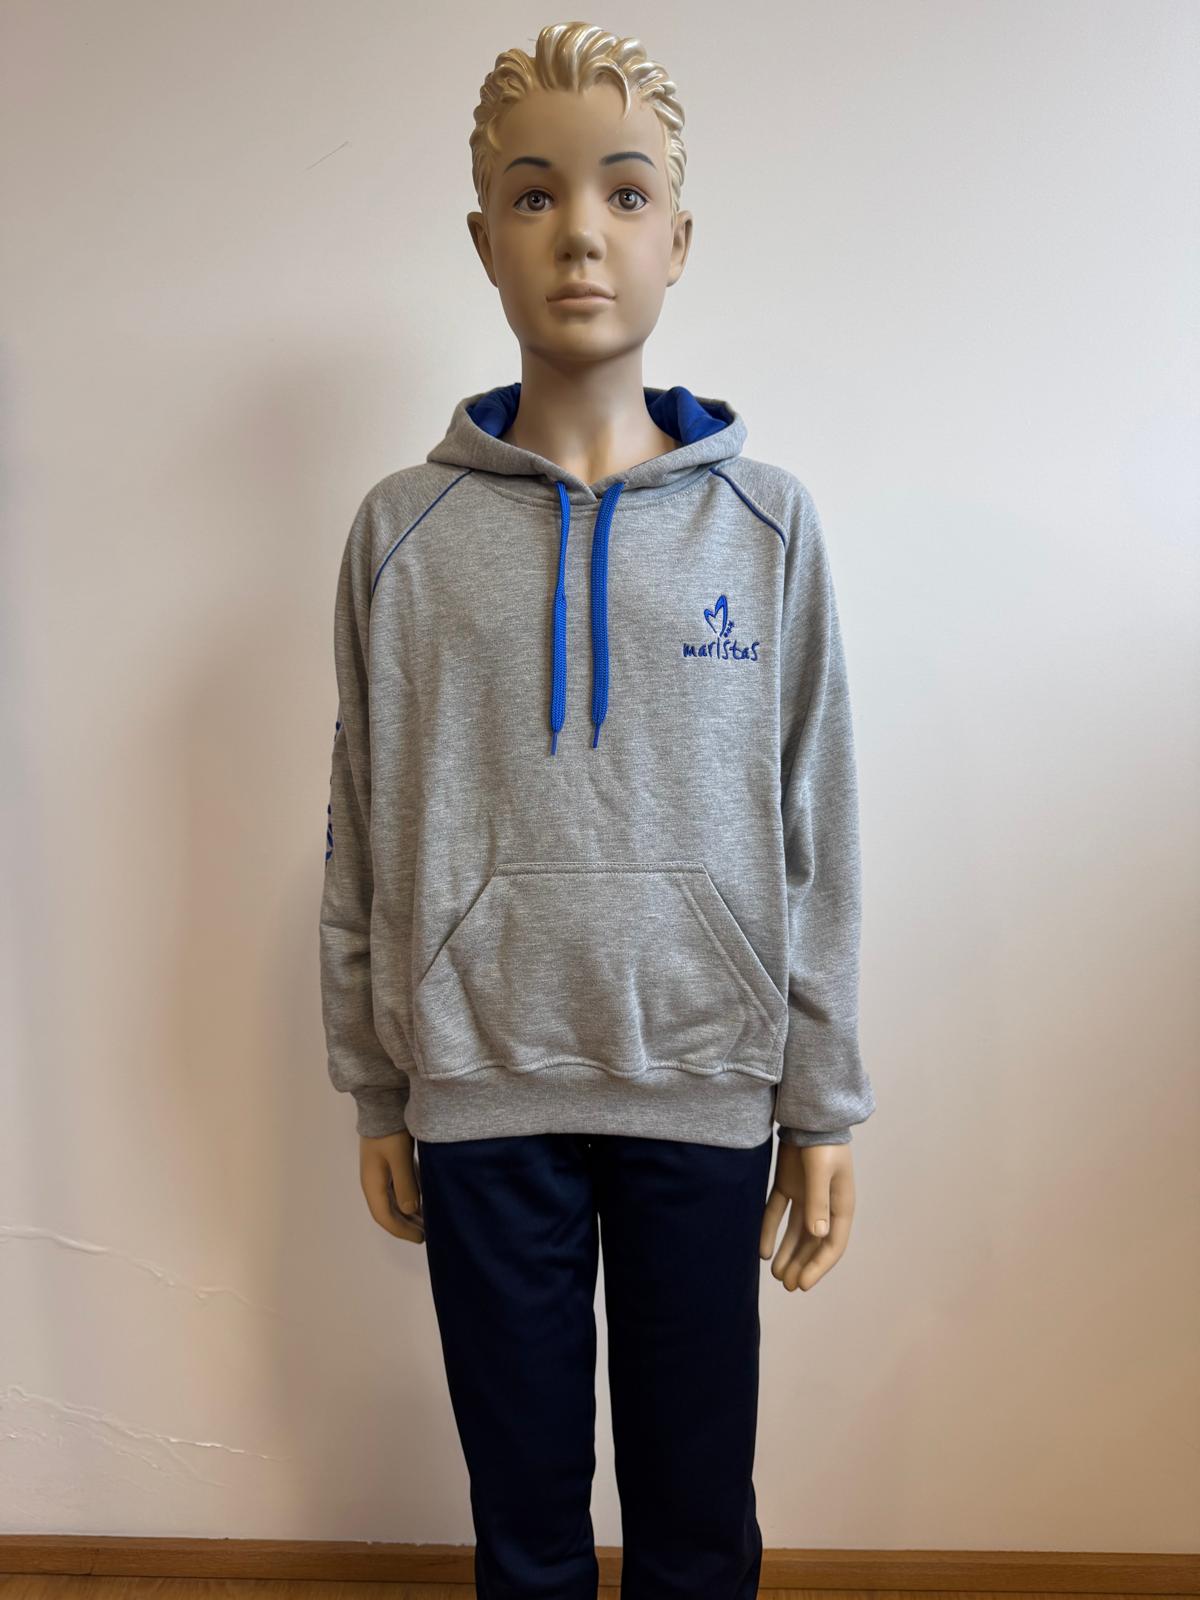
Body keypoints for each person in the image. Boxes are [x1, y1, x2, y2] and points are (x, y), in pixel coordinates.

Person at [319, 20, 876, 1598]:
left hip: (703, 1077)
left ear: (678, 238)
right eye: (534, 194)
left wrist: (823, 1102)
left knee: (698, 1518)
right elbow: (360, 813)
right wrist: (373, 1082)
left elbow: (818, 824)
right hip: (479, 1084)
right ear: (482, 238)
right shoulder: (400, 532)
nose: (580, 233)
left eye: (626, 194)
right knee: (526, 1525)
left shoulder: (767, 525)